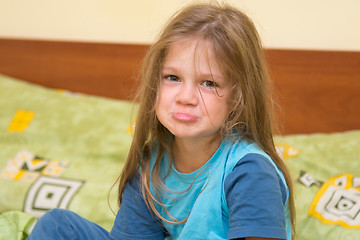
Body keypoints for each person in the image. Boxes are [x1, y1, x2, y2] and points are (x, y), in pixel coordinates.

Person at [28, 3, 295, 240]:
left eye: (209, 83)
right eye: (173, 78)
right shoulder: (150, 168)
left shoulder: (250, 172)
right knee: (57, 226)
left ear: (237, 97)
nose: (186, 97)